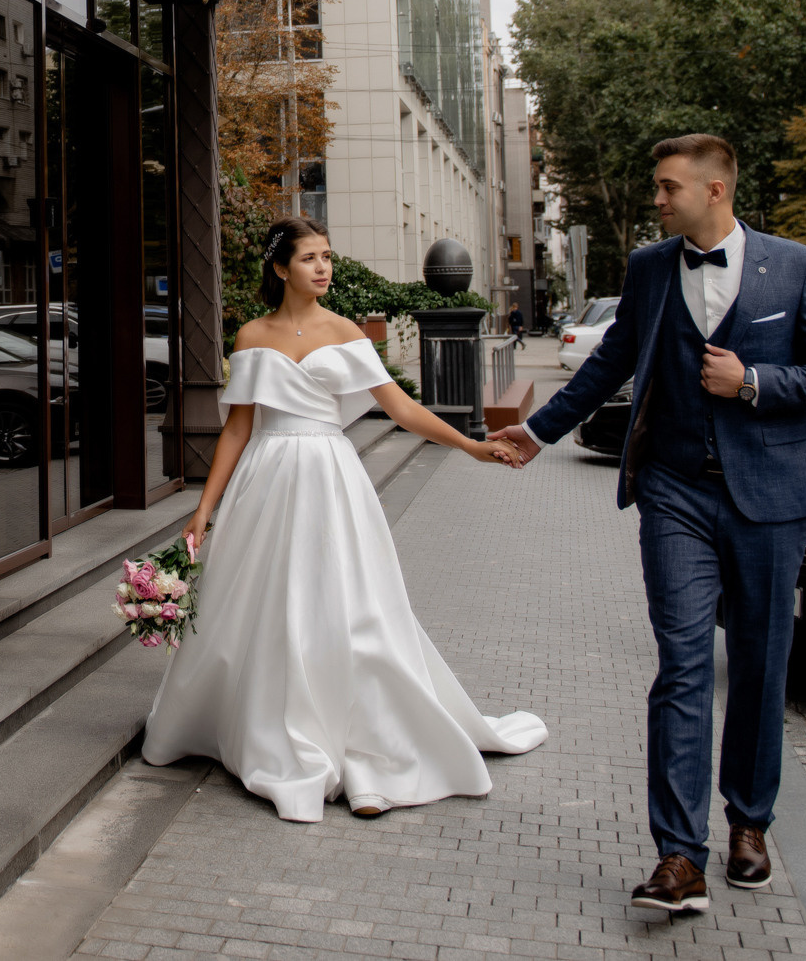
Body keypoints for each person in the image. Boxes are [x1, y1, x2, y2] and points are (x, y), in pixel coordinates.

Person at [490, 134, 806, 916]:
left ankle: (749, 824)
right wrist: (542, 429)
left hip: (771, 496)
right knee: (683, 665)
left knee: (759, 667)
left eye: (667, 187)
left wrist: (754, 380)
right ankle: (678, 855)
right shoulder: (653, 267)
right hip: (675, 493)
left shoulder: (797, 266)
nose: (657, 200)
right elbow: (610, 360)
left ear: (715, 189)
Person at [141, 217, 547, 822]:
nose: (324, 267)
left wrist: (469, 445)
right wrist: (204, 509)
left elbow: (401, 408)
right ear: (281, 269)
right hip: (266, 480)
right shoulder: (251, 335)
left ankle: (367, 747)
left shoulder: (346, 330)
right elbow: (238, 427)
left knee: (351, 607)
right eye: (309, 258)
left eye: (328, 256)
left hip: (330, 478)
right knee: (270, 606)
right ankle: (272, 730)